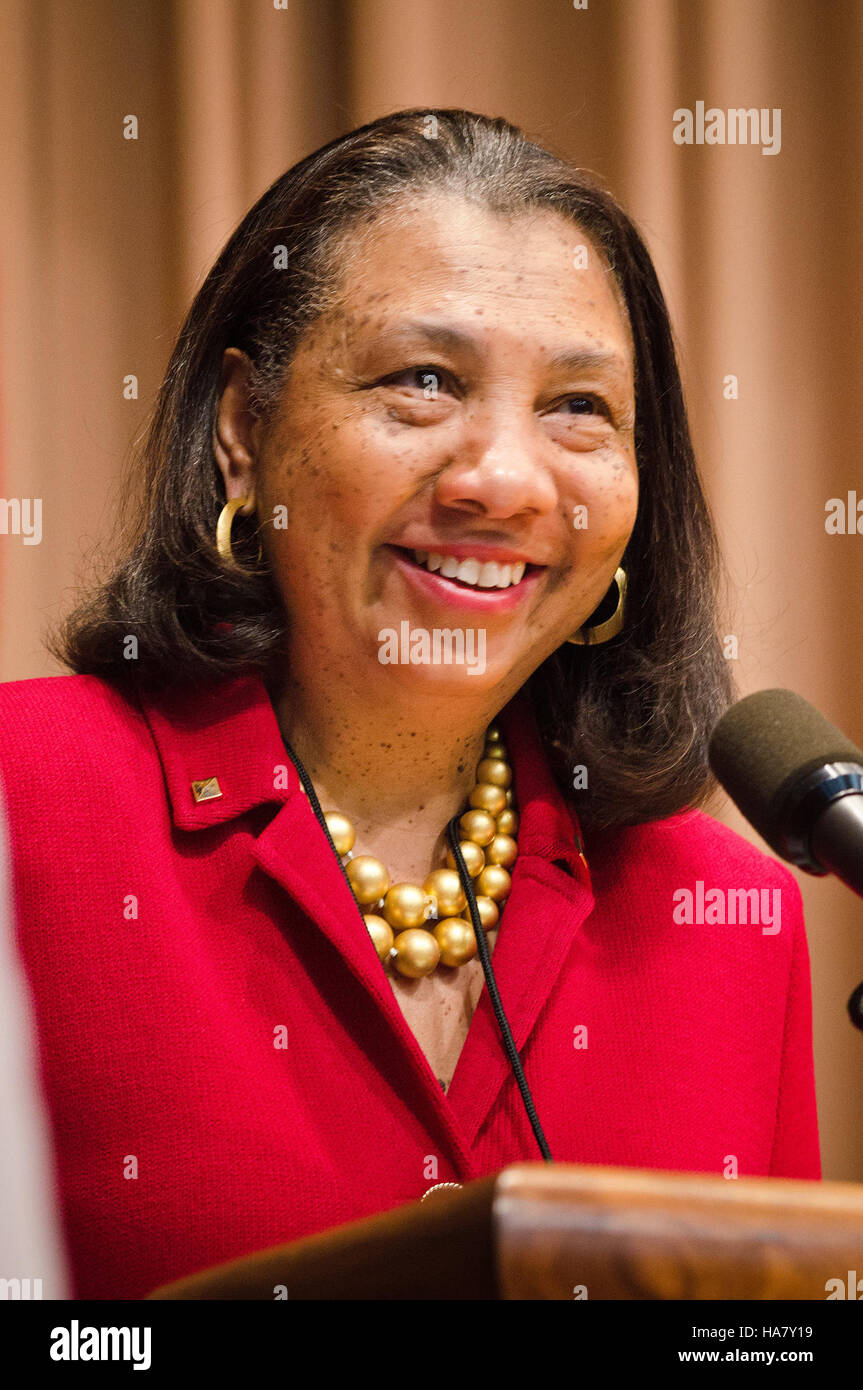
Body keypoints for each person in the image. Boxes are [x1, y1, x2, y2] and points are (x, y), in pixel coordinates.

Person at [0, 108, 819, 1301]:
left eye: (578, 406)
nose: (501, 477)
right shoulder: (26, 803)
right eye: (422, 381)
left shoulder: (727, 921)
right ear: (243, 433)